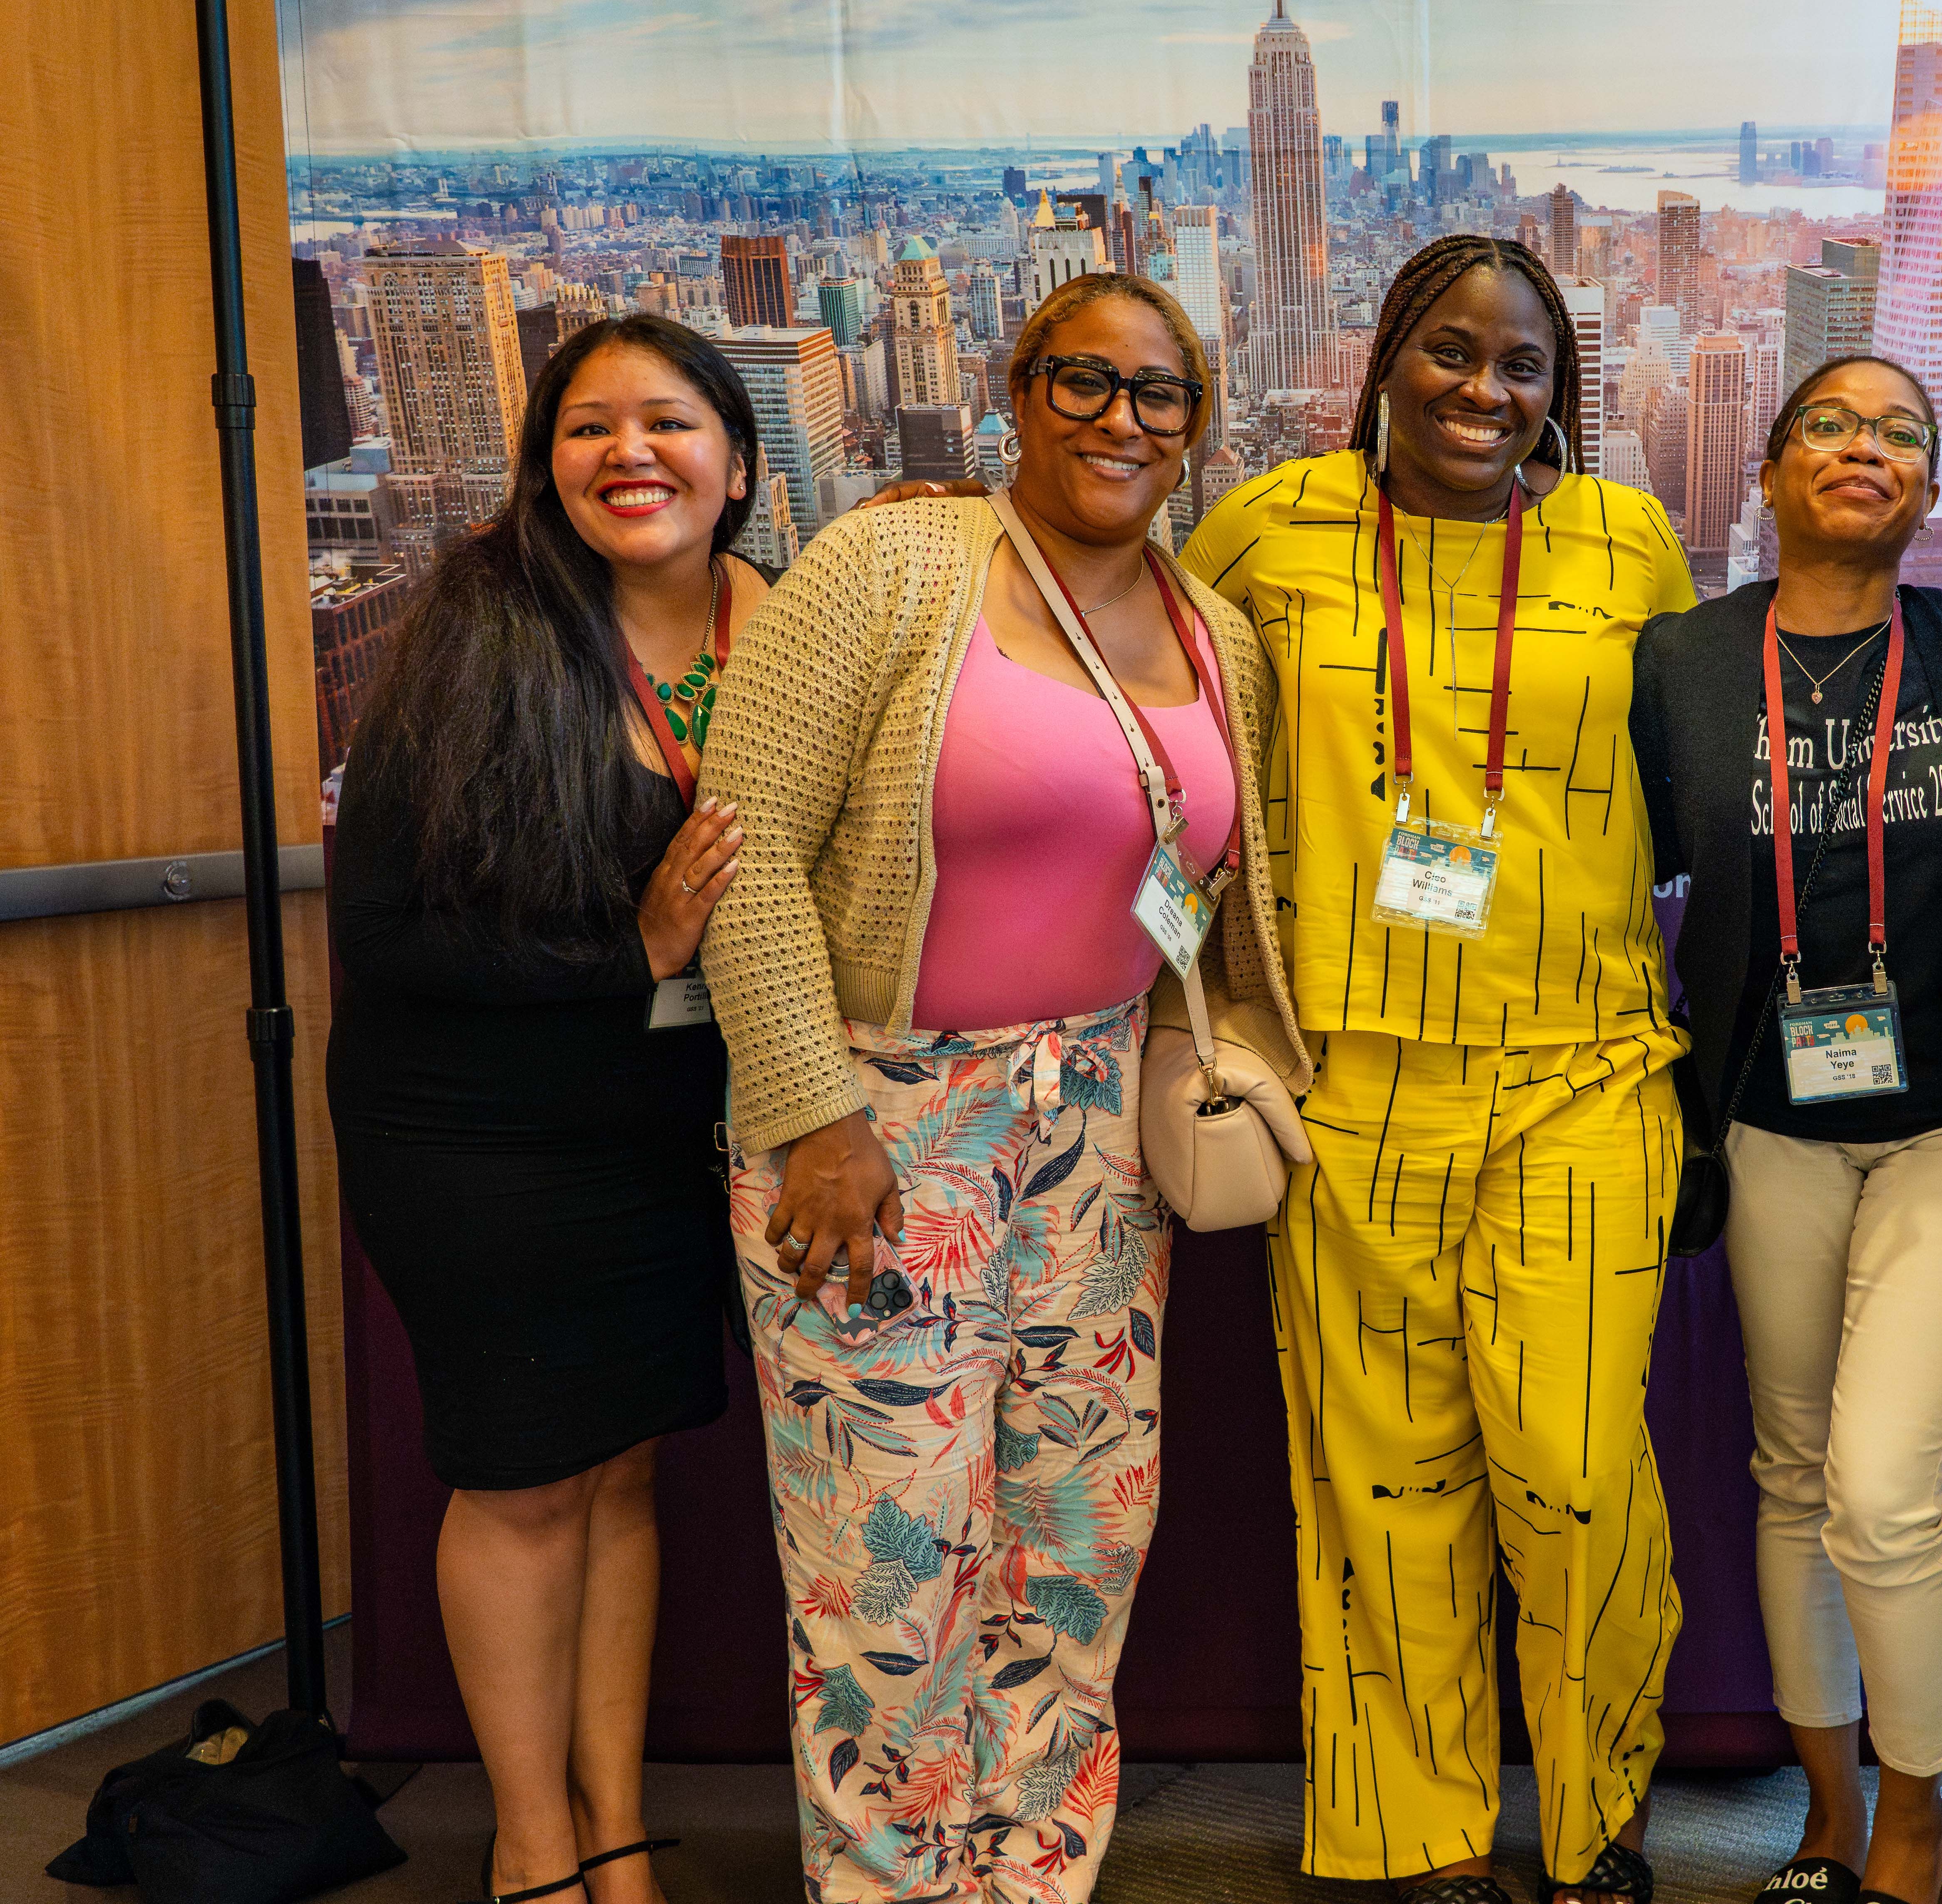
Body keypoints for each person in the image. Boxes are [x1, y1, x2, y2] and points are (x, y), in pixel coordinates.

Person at [697, 272, 1305, 1904]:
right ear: (1014, 391)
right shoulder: (888, 568)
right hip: (880, 1126)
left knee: (1074, 1540)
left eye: (1159, 393)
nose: (1123, 419)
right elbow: (744, 862)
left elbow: (1219, 897)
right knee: (889, 1563)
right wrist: (811, 1112)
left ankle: (1034, 1868)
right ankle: (895, 1881)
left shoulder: (1213, 634)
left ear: (1198, 422)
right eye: (1084, 381)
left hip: (1103, 1134)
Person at [1178, 236, 1694, 1904]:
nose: (1487, 390)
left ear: (1563, 389)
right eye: (1452, 352)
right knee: (1380, 1473)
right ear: (1388, 355)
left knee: (1575, 1463)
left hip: (1584, 1064)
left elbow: (1695, 767)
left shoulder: (1626, 541)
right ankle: (1415, 1835)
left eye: (1524, 363)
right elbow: (1148, 704)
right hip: (1349, 1076)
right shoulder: (1273, 528)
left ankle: (1600, 1805)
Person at [327, 313, 770, 1904]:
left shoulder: (774, 628)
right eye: (589, 428)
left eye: (668, 423)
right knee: (524, 1480)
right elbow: (383, 932)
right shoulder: (488, 628)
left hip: (665, 1124)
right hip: (479, 1135)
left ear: (737, 459)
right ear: (546, 466)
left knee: (626, 1465)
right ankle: (532, 1844)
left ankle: (620, 1825)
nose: (629, 454)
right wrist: (628, 949)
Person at [1631, 356, 1942, 1904]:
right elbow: (1604, 853)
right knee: (1792, 1472)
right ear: (1771, 467)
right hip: (1770, 1120)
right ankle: (1826, 1812)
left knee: (1880, 1486)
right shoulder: (1682, 666)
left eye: (1901, 437)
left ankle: (1918, 1820)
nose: (1865, 450)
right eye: (1832, 425)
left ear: (1930, 493)